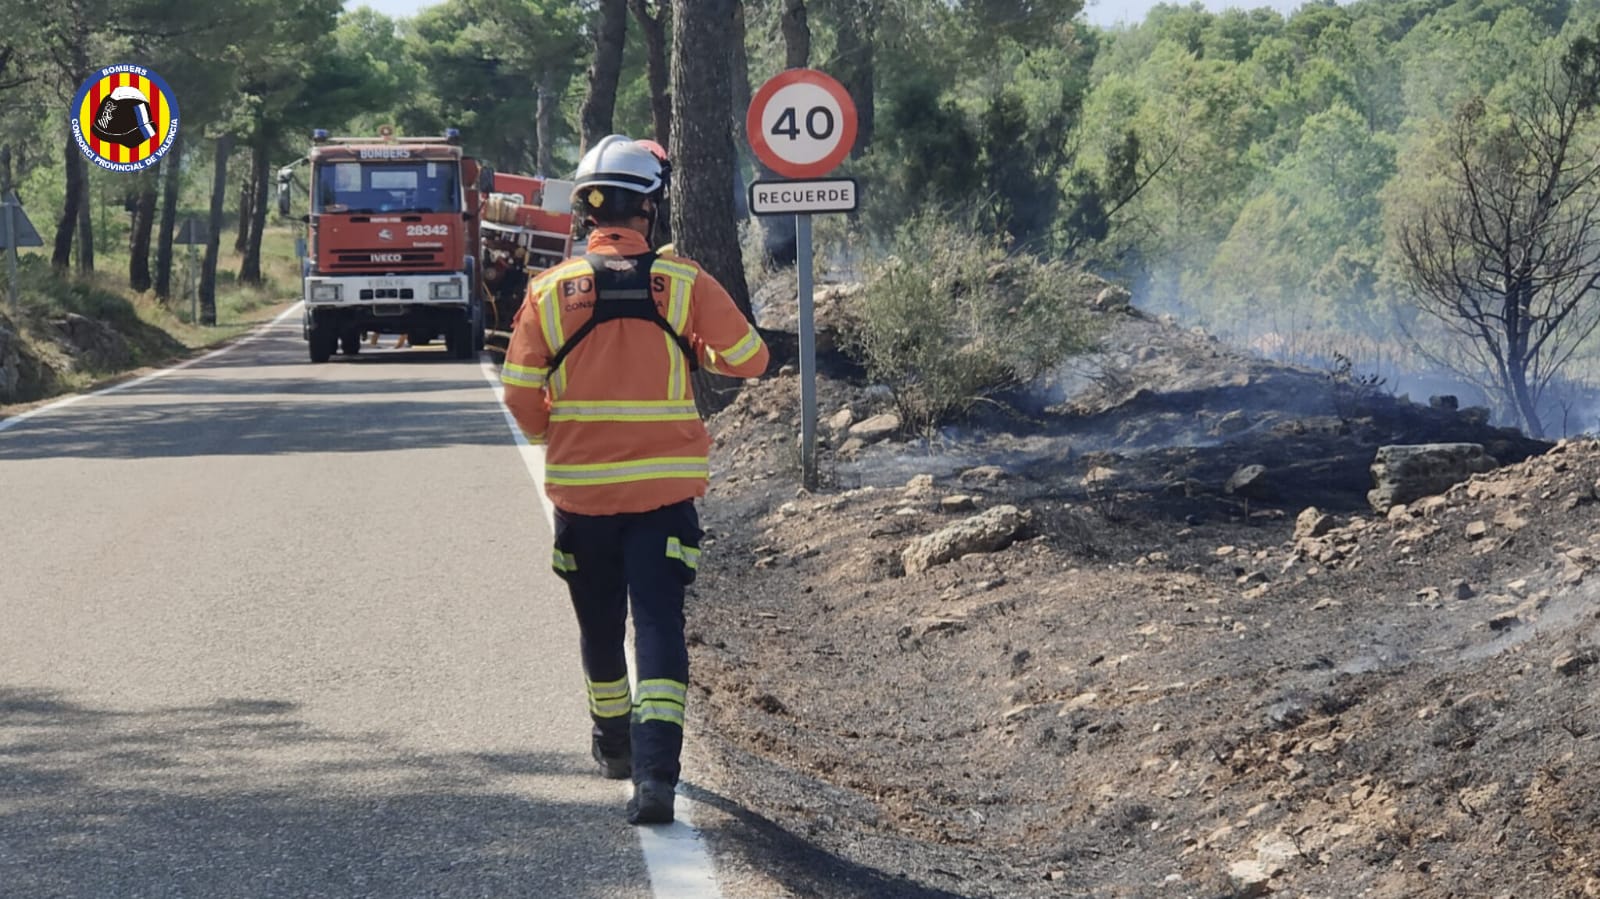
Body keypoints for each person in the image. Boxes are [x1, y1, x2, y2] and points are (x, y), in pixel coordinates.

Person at [500, 135, 769, 825]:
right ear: (650, 209)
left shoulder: (550, 291)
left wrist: (552, 437)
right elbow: (751, 360)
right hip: (663, 498)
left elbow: (522, 395)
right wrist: (699, 346)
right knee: (658, 625)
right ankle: (656, 775)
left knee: (598, 624)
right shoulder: (683, 285)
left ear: (589, 211)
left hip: (582, 497)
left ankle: (613, 742)